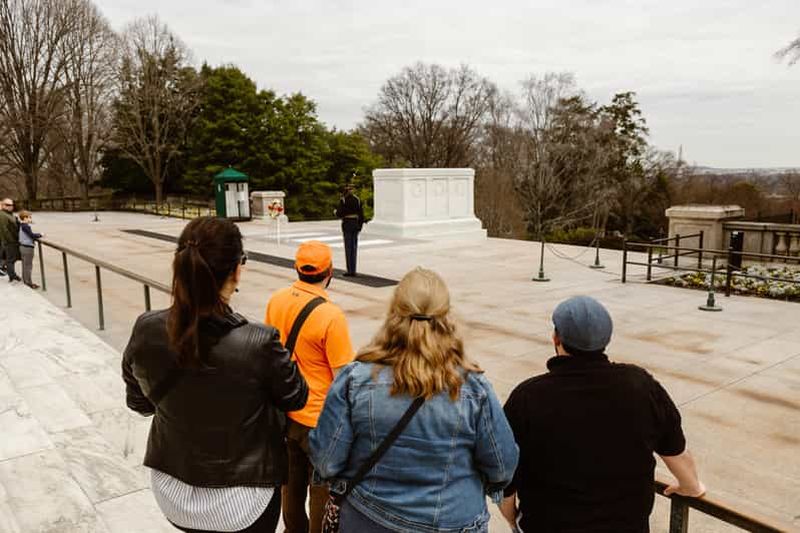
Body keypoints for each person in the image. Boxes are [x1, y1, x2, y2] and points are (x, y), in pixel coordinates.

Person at [122, 216, 309, 533]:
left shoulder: (146, 328)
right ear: (236, 270)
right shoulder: (259, 342)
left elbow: (139, 403)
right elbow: (296, 396)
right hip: (242, 501)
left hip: (173, 490)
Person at [310, 267, 519, 533]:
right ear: (446, 318)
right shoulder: (474, 388)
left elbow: (327, 460)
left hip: (369, 516)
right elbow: (501, 467)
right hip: (454, 521)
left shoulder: (356, 380)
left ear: (394, 314)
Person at [500, 295, 706, 533]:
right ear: (606, 339)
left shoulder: (527, 397)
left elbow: (504, 476)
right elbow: (676, 451)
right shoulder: (641, 386)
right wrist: (691, 487)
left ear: (556, 338)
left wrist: (512, 519)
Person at [265, 241, 355, 533]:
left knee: (290, 484)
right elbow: (343, 378)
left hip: (285, 412)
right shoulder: (331, 316)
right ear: (329, 272)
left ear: (297, 268)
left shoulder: (276, 300)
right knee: (320, 489)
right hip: (319, 421)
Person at [334, 183, 365, 277]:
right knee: (354, 248)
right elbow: (361, 215)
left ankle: (349, 270)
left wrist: (335, 212)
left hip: (347, 224)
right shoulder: (357, 200)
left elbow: (340, 213)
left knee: (348, 248)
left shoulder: (343, 200)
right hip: (355, 224)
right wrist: (360, 226)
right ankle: (353, 270)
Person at [17, 210, 42, 289]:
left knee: (25, 265)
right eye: (29, 217)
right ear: (25, 218)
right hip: (27, 248)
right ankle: (28, 283)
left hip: (23, 247)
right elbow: (32, 235)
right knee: (28, 266)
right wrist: (40, 234)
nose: (31, 219)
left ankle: (26, 281)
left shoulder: (22, 225)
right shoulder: (26, 226)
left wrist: (29, 222)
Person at [0, 198, 21, 283]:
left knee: (11, 259)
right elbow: (4, 230)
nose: (10, 206)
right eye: (8, 205)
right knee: (10, 260)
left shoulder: (9, 214)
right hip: (9, 242)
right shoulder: (2, 215)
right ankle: (12, 276)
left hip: (12, 241)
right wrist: (11, 240)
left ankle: (12, 275)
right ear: (3, 205)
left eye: (11, 205)